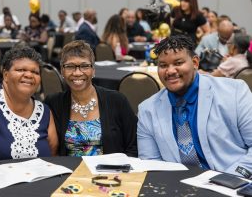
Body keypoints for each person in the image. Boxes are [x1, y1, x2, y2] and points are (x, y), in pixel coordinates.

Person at [137, 34, 252, 177]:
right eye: (163, 65)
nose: (170, 71)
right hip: (177, 188)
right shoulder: (147, 110)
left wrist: (230, 179)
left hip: (232, 183)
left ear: (195, 63)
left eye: (178, 63)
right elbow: (151, 165)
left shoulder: (234, 92)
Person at [44, 40, 137, 157]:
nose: (77, 73)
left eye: (84, 66)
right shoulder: (53, 103)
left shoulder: (117, 101)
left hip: (112, 173)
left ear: (93, 70)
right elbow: (49, 149)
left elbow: (133, 146)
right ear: (62, 71)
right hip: (70, 173)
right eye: (70, 66)